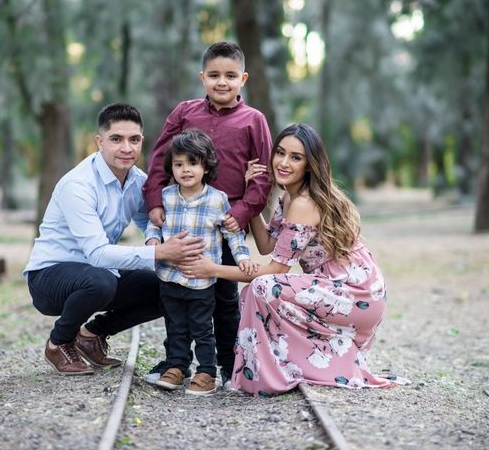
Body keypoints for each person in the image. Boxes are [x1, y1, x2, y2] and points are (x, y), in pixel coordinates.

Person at [180, 123, 408, 395]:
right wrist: (252, 193)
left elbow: (275, 269)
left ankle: (272, 372)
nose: (284, 162)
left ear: (310, 164)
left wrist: (212, 269)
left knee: (264, 287)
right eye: (280, 153)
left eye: (295, 157)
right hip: (332, 287)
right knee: (259, 289)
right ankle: (277, 367)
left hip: (355, 293)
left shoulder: (303, 202)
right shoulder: (288, 196)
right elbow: (265, 245)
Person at [23, 103, 205, 376]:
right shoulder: (79, 185)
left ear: (142, 141)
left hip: (97, 273)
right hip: (50, 277)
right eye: (116, 139)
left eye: (134, 140)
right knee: (100, 281)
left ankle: (92, 334)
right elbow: (97, 254)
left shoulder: (138, 182)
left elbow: (149, 221)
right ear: (100, 142)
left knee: (167, 286)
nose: (126, 148)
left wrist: (155, 242)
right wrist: (159, 254)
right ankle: (58, 342)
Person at [142, 41, 273, 387]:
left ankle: (227, 367)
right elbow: (159, 158)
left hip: (226, 220)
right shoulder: (185, 112)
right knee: (177, 291)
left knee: (225, 298)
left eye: (230, 76)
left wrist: (243, 212)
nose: (222, 82)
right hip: (184, 220)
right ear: (202, 77)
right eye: (214, 75)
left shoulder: (254, 120)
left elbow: (263, 175)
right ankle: (178, 361)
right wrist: (155, 200)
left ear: (243, 78)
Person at [145, 130, 255, 395]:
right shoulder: (168, 196)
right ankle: (176, 367)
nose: (185, 170)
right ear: (171, 167)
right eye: (179, 164)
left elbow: (233, 233)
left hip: (201, 282)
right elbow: (154, 226)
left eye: (193, 163)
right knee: (175, 326)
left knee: (203, 328)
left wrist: (243, 259)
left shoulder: (217, 199)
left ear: (206, 166)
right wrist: (152, 242)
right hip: (170, 276)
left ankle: (206, 372)